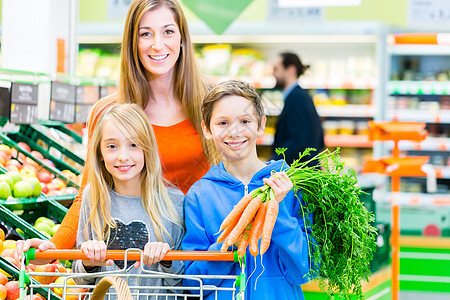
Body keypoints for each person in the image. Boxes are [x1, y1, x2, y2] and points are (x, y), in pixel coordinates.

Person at [16, 0, 217, 256]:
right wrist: (54, 247)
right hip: (139, 259)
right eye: (146, 34)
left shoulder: (209, 102)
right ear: (133, 42)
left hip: (204, 252)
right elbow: (90, 193)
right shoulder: (109, 111)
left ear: (182, 38)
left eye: (168, 31)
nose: (157, 44)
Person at [181, 80, 313, 300]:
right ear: (206, 129)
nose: (234, 131)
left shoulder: (291, 186)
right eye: (223, 123)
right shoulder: (200, 195)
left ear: (260, 125)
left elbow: (305, 270)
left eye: (244, 121)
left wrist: (276, 214)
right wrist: (230, 241)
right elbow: (194, 283)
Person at [72, 103, 184, 296]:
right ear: (99, 152)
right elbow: (81, 279)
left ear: (147, 149)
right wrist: (88, 261)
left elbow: (181, 282)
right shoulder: (94, 197)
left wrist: (167, 260)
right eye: (112, 146)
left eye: (133, 144)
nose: (123, 156)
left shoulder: (173, 202)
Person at [272, 52, 324, 165]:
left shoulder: (296, 98)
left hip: (298, 174)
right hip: (304, 171)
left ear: (290, 70)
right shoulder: (300, 96)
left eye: (276, 69)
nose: (273, 73)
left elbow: (297, 141)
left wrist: (272, 164)